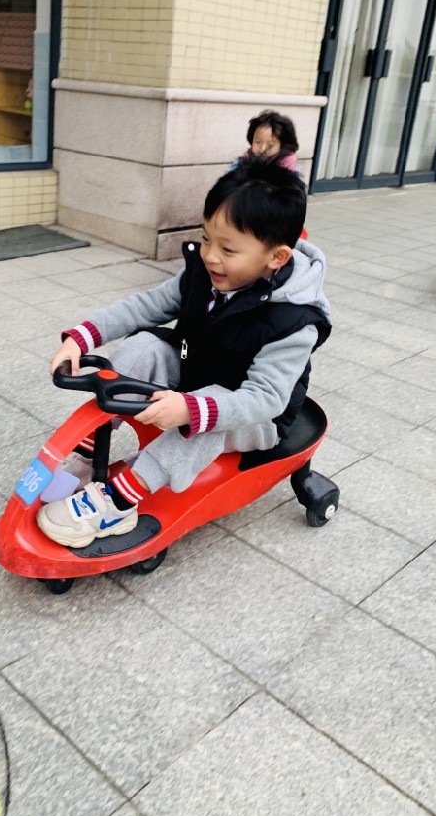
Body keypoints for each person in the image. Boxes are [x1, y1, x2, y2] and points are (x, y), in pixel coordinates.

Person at [37, 157, 331, 548]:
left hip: (257, 415)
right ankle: (93, 451)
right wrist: (83, 337)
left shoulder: (294, 321)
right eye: (206, 238)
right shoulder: (203, 273)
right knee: (144, 346)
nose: (210, 256)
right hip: (199, 369)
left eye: (228, 248)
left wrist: (192, 409)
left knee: (205, 418)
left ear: (276, 257)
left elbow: (266, 399)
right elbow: (148, 305)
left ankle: (119, 503)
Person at [228, 109, 300, 174]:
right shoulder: (240, 164)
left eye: (270, 145)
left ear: (282, 146)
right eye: (258, 142)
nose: (262, 148)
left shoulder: (289, 172)